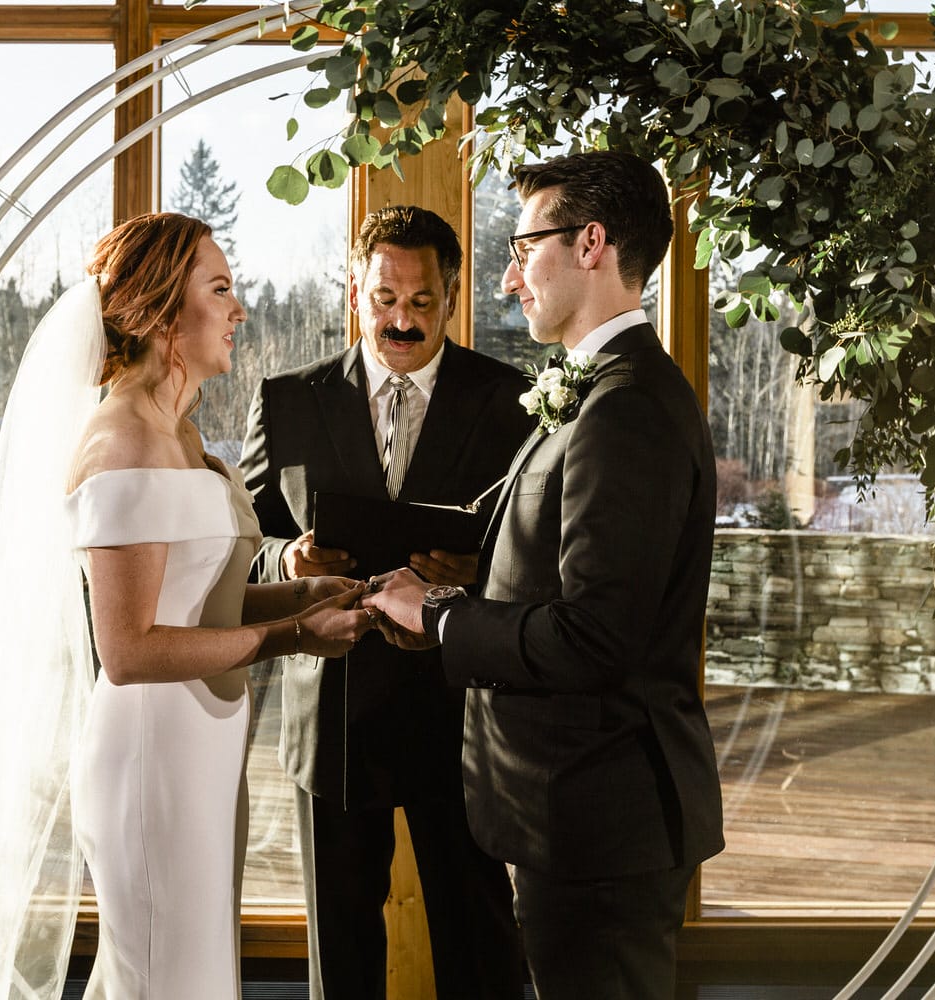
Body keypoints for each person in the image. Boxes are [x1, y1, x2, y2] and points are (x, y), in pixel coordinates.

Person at [0, 213, 374, 999]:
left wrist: (302, 594)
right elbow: (129, 650)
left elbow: (201, 603)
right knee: (173, 977)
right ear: (163, 312)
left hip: (206, 744)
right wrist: (292, 634)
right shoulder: (121, 439)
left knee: (178, 972)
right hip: (151, 754)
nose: (240, 311)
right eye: (220, 289)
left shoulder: (186, 437)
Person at [364, 151, 724, 1000]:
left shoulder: (626, 405)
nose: (507, 279)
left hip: (602, 823)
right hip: (578, 816)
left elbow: (596, 634)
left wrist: (441, 620)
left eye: (523, 248)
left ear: (591, 242)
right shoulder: (599, 388)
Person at [240, 205, 529, 999]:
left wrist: (473, 575)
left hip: (460, 708)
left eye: (422, 303)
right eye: (384, 299)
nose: (401, 320)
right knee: (343, 956)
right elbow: (248, 543)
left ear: (453, 294)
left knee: (482, 943)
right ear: (355, 290)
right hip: (332, 714)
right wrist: (287, 557)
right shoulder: (286, 400)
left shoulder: (514, 401)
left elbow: (539, 557)